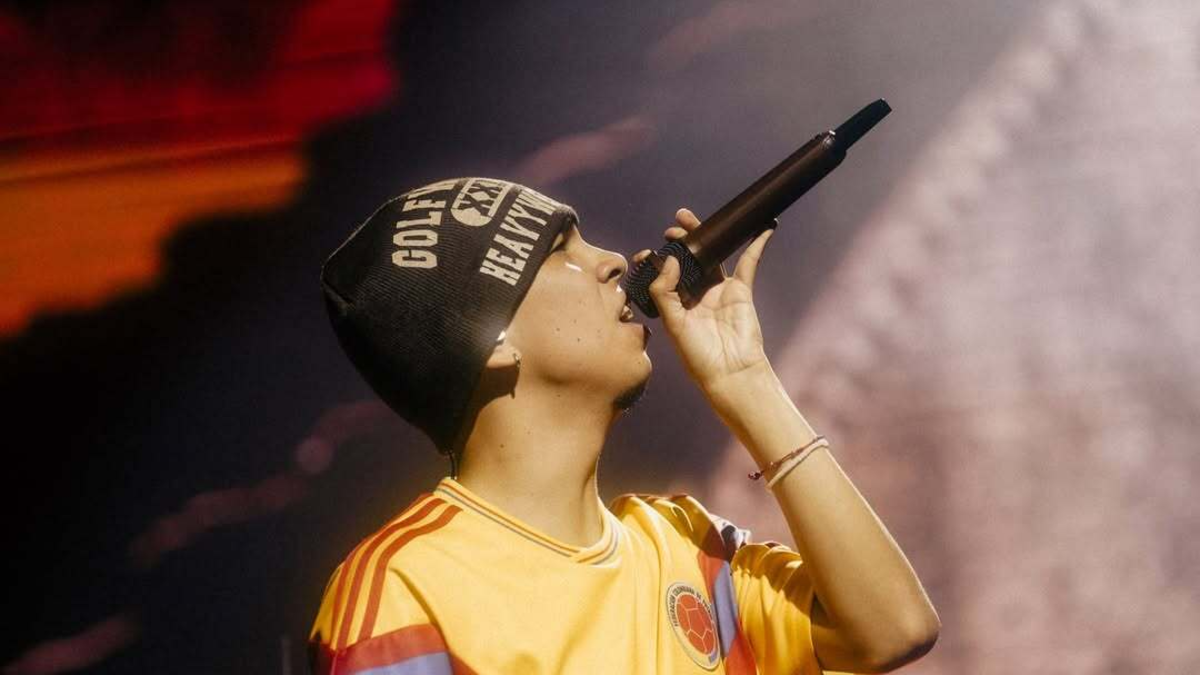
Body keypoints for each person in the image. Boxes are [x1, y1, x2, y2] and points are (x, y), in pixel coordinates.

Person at [309, 177, 938, 674]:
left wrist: (745, 379)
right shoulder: (407, 587)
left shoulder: (685, 544)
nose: (613, 260)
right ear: (490, 338)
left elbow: (892, 630)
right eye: (559, 252)